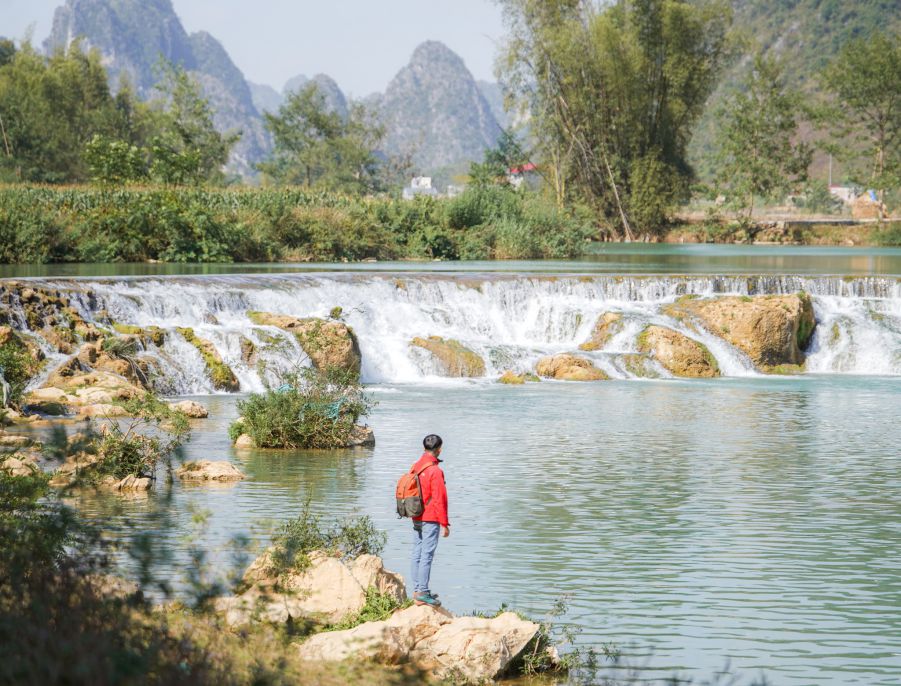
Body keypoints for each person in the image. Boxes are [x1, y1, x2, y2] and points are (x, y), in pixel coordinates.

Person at [410, 433, 449, 607]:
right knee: (427, 554)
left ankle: (418, 589)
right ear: (439, 450)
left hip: (416, 515)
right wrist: (445, 523)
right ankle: (423, 592)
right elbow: (440, 499)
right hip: (430, 517)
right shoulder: (435, 471)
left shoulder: (416, 466)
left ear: (424, 448)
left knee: (417, 552)